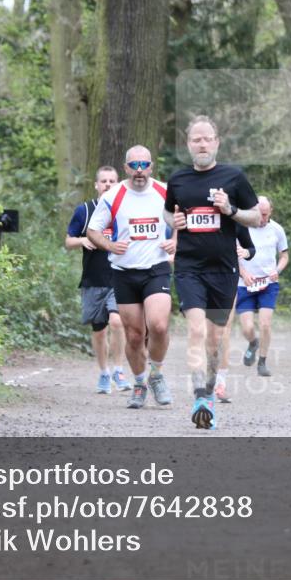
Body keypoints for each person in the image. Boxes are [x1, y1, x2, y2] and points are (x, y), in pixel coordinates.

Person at [165, 115, 261, 429]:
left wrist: (230, 210)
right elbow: (169, 212)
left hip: (224, 270)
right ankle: (200, 397)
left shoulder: (234, 177)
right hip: (189, 267)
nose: (202, 144)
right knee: (196, 330)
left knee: (215, 339)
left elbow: (256, 216)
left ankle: (208, 387)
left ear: (217, 142)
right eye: (196, 139)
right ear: (188, 144)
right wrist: (174, 223)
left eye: (207, 138)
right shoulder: (178, 180)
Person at [87, 146, 175, 409]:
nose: (139, 171)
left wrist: (176, 243)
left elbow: (183, 221)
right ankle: (139, 383)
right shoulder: (113, 196)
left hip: (156, 268)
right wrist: (110, 246)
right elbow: (93, 230)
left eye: (143, 165)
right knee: (135, 336)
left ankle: (156, 374)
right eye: (133, 166)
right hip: (124, 272)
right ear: (125, 168)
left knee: (158, 325)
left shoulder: (166, 191)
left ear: (151, 166)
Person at [65, 165, 130, 394]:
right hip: (93, 279)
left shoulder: (124, 211)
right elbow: (68, 240)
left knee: (117, 322)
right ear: (96, 185)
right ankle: (104, 372)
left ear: (118, 184)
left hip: (119, 277)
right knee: (99, 330)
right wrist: (82, 241)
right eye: (104, 181)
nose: (108, 185)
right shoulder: (85, 210)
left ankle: (119, 370)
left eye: (112, 181)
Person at [235, 195, 289, 380]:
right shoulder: (241, 228)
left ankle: (262, 362)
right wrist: (243, 273)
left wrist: (278, 270)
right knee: (247, 327)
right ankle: (252, 343)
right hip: (245, 284)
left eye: (265, 214)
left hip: (268, 283)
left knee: (265, 324)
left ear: (271, 212)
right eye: (259, 214)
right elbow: (233, 256)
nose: (262, 218)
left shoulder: (277, 230)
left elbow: (284, 256)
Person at [213, 224, 257, 403]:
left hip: (226, 279)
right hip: (198, 278)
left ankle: (220, 383)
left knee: (224, 330)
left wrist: (244, 259)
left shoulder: (235, 220)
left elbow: (249, 248)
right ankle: (206, 377)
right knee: (205, 332)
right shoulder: (196, 214)